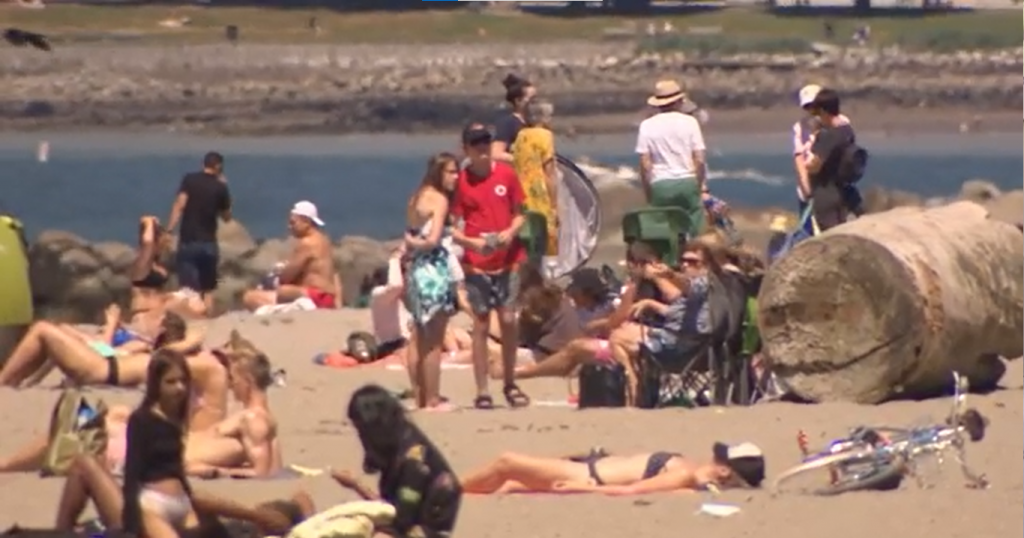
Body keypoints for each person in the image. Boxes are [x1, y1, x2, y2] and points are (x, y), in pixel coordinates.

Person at [450, 123, 530, 409]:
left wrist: (510, 232)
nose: (483, 149)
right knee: (481, 324)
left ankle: (510, 382)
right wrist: (471, 244)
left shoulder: (507, 175)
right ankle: (482, 389)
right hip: (477, 263)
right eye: (476, 144)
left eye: (486, 142)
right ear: (466, 149)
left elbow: (521, 214)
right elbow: (452, 227)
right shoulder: (461, 181)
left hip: (508, 260)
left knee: (508, 321)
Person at [53, 453, 313, 537]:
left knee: (85, 464)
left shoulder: (230, 528)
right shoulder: (244, 521)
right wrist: (310, 525)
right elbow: (303, 497)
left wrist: (255, 514)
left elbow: (196, 498)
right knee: (93, 463)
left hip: (143, 527)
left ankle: (61, 531)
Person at [329, 385, 461, 538]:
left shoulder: (413, 463)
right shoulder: (398, 439)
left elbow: (400, 520)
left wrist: (357, 485)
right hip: (408, 519)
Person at [460, 442, 766, 495]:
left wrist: (581, 488)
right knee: (508, 483)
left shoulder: (684, 476)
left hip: (585, 476)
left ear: (725, 471)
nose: (713, 457)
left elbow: (632, 490)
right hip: (586, 466)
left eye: (720, 458)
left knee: (507, 463)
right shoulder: (690, 474)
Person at [0, 311, 200, 388]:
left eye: (155, 317)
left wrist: (112, 323)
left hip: (100, 368)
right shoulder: (150, 353)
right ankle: (12, 380)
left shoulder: (161, 357)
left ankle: (3, 380)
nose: (148, 315)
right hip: (102, 366)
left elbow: (192, 339)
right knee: (48, 333)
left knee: (41, 329)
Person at [121, 349, 200, 537]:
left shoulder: (176, 417)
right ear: (156, 384)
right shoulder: (141, 419)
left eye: (183, 380)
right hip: (154, 504)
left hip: (182, 503)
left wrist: (191, 501)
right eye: (171, 382)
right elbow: (132, 473)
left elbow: (177, 468)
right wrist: (132, 523)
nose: (180, 387)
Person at [403, 153, 460, 411]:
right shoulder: (439, 199)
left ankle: (420, 398)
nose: (456, 178)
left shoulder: (415, 198)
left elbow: (411, 231)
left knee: (419, 336)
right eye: (451, 172)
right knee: (434, 340)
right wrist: (417, 244)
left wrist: (410, 245)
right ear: (439, 173)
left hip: (415, 270)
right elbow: (432, 239)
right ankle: (433, 399)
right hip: (434, 269)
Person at [185, 336, 283, 478]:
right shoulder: (263, 418)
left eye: (233, 379)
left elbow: (262, 474)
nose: (231, 386)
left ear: (247, 381)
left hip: (176, 460)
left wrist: (213, 471)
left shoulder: (253, 419)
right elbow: (275, 470)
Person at [636, 79, 709, 240]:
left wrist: (648, 191)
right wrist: (698, 184)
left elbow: (645, 163)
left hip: (660, 183)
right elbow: (699, 159)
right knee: (696, 226)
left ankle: (668, 259)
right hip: (687, 181)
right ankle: (696, 258)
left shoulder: (647, 125)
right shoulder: (690, 122)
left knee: (664, 229)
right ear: (679, 101)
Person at [166, 151, 232, 316]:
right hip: (209, 242)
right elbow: (227, 217)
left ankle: (191, 318)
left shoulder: (190, 179)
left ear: (203, 164)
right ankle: (208, 319)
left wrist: (169, 229)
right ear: (219, 166)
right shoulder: (220, 187)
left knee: (188, 289)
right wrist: (225, 188)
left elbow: (180, 205)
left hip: (188, 239)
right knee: (208, 288)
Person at [242, 201, 339, 311]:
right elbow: (334, 275)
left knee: (250, 297)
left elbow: (286, 277)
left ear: (306, 222)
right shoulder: (324, 240)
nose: (289, 227)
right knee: (284, 291)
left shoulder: (307, 243)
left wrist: (277, 273)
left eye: (293, 223)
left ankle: (290, 309)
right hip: (327, 297)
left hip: (316, 298)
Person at [804, 88, 865, 231]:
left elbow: (815, 166)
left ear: (824, 111)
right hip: (845, 190)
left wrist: (808, 160)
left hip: (826, 193)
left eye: (818, 112)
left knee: (832, 236)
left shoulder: (827, 136)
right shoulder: (847, 130)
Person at [513, 99, 559, 257]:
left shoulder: (521, 135)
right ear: (544, 117)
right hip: (538, 193)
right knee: (547, 238)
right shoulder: (545, 136)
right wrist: (555, 205)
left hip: (520, 193)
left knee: (527, 239)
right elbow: (549, 173)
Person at [491, 73, 535, 163]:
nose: (536, 103)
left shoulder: (530, 124)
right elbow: (495, 153)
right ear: (518, 101)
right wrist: (522, 160)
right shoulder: (508, 123)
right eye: (532, 99)